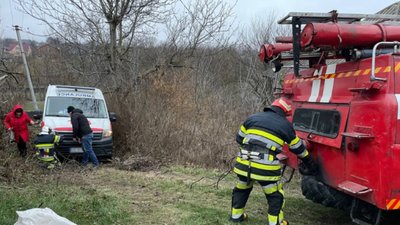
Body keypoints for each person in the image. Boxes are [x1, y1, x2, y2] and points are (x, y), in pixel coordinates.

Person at [230, 97, 318, 225]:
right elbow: (298, 148)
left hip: (243, 162)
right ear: (286, 112)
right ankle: (276, 222)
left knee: (241, 188)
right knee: (275, 194)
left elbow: (239, 138)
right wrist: (309, 160)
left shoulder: (252, 118)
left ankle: (236, 217)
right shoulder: (285, 125)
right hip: (265, 167)